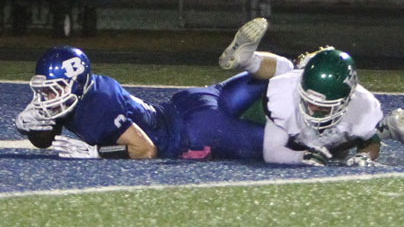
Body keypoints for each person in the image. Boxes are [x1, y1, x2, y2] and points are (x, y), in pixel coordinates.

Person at [15, 44, 270, 160]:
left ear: (76, 83)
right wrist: (31, 128)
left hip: (195, 132)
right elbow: (47, 138)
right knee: (273, 75)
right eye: (45, 91)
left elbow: (146, 150)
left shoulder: (97, 106)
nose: (46, 98)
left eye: (53, 90)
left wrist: (98, 152)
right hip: (192, 101)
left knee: (288, 147)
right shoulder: (87, 90)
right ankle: (268, 62)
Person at [219, 18, 404, 166]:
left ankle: (387, 127)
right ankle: (248, 60)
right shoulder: (285, 91)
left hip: (331, 134)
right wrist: (300, 157)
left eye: (322, 105)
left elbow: (369, 140)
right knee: (287, 70)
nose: (313, 108)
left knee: (342, 141)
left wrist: (365, 156)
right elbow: (272, 151)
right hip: (281, 124)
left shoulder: (361, 105)